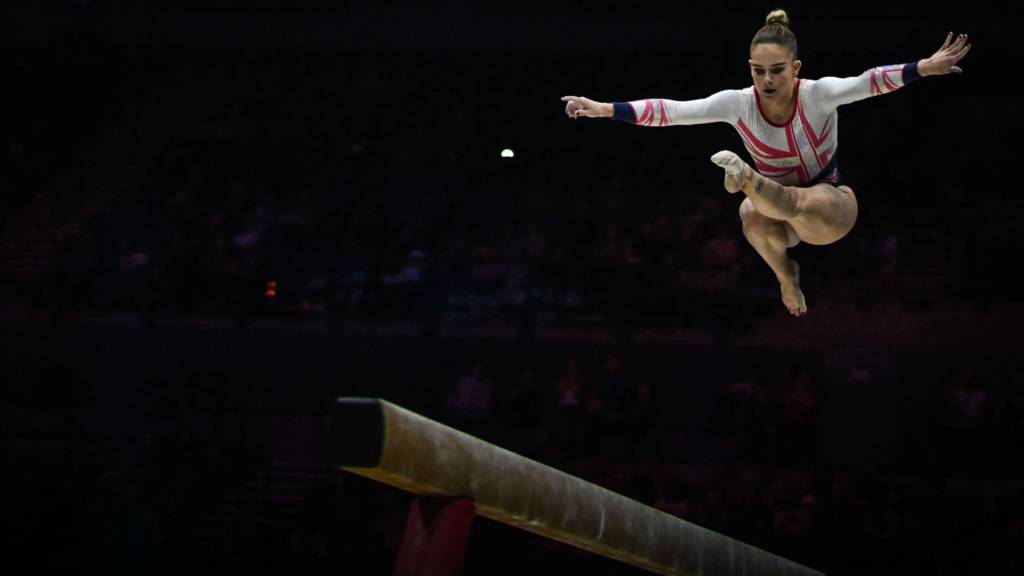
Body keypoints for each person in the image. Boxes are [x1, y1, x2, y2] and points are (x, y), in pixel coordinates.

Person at [561, 10, 971, 316]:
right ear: (749, 70)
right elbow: (672, 110)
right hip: (774, 217)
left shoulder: (819, 94)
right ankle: (784, 276)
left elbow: (869, 81)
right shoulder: (737, 104)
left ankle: (748, 180)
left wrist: (924, 68)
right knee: (751, 215)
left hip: (828, 205)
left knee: (787, 202)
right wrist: (603, 109)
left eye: (777, 71)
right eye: (759, 71)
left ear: (795, 69)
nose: (768, 80)